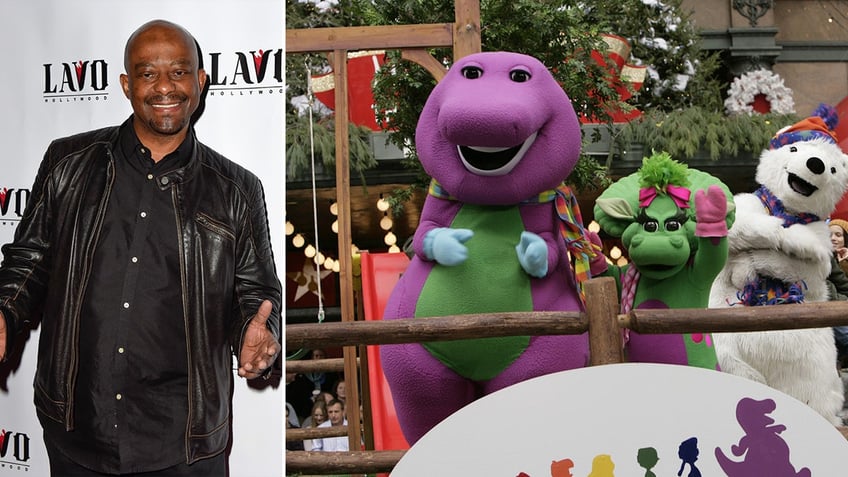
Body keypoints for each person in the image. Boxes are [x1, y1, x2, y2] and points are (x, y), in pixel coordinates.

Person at [0, 19, 281, 476]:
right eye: (148, 74)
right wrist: (5, 310)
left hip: (185, 445)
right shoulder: (66, 163)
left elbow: (256, 294)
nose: (165, 87)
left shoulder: (237, 189)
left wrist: (257, 333)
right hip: (78, 431)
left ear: (201, 82)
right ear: (127, 85)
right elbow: (29, 260)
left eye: (179, 71)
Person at [827, 218, 848, 367]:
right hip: (830, 308)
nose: (833, 238)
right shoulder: (824, 256)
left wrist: (845, 264)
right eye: (830, 235)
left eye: (838, 235)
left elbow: (843, 285)